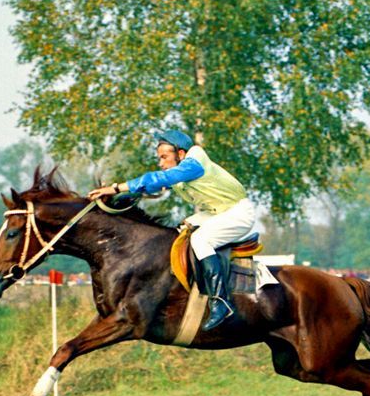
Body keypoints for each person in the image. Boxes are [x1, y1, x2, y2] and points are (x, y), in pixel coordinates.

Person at [89, 129, 256, 331]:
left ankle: (220, 302)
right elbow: (150, 187)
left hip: (238, 212)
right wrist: (116, 199)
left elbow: (158, 179)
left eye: (164, 157)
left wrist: (116, 187)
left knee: (201, 240)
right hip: (217, 211)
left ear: (181, 153)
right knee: (180, 232)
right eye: (160, 158)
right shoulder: (181, 169)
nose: (161, 163)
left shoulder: (194, 163)